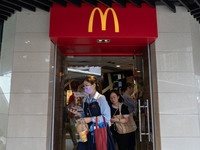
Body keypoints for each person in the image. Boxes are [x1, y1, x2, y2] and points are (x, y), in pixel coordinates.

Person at [68, 75, 116, 150]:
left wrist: (90, 119)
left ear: (94, 85)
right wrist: (78, 113)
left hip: (100, 131)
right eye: (84, 86)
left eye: (86, 85)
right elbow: (85, 115)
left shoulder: (101, 98)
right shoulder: (86, 99)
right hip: (88, 131)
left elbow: (107, 117)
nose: (85, 88)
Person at [122, 83, 137, 150]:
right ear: (128, 88)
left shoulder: (126, 96)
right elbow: (135, 104)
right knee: (131, 137)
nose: (133, 90)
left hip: (129, 117)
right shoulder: (126, 96)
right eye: (132, 88)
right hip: (130, 118)